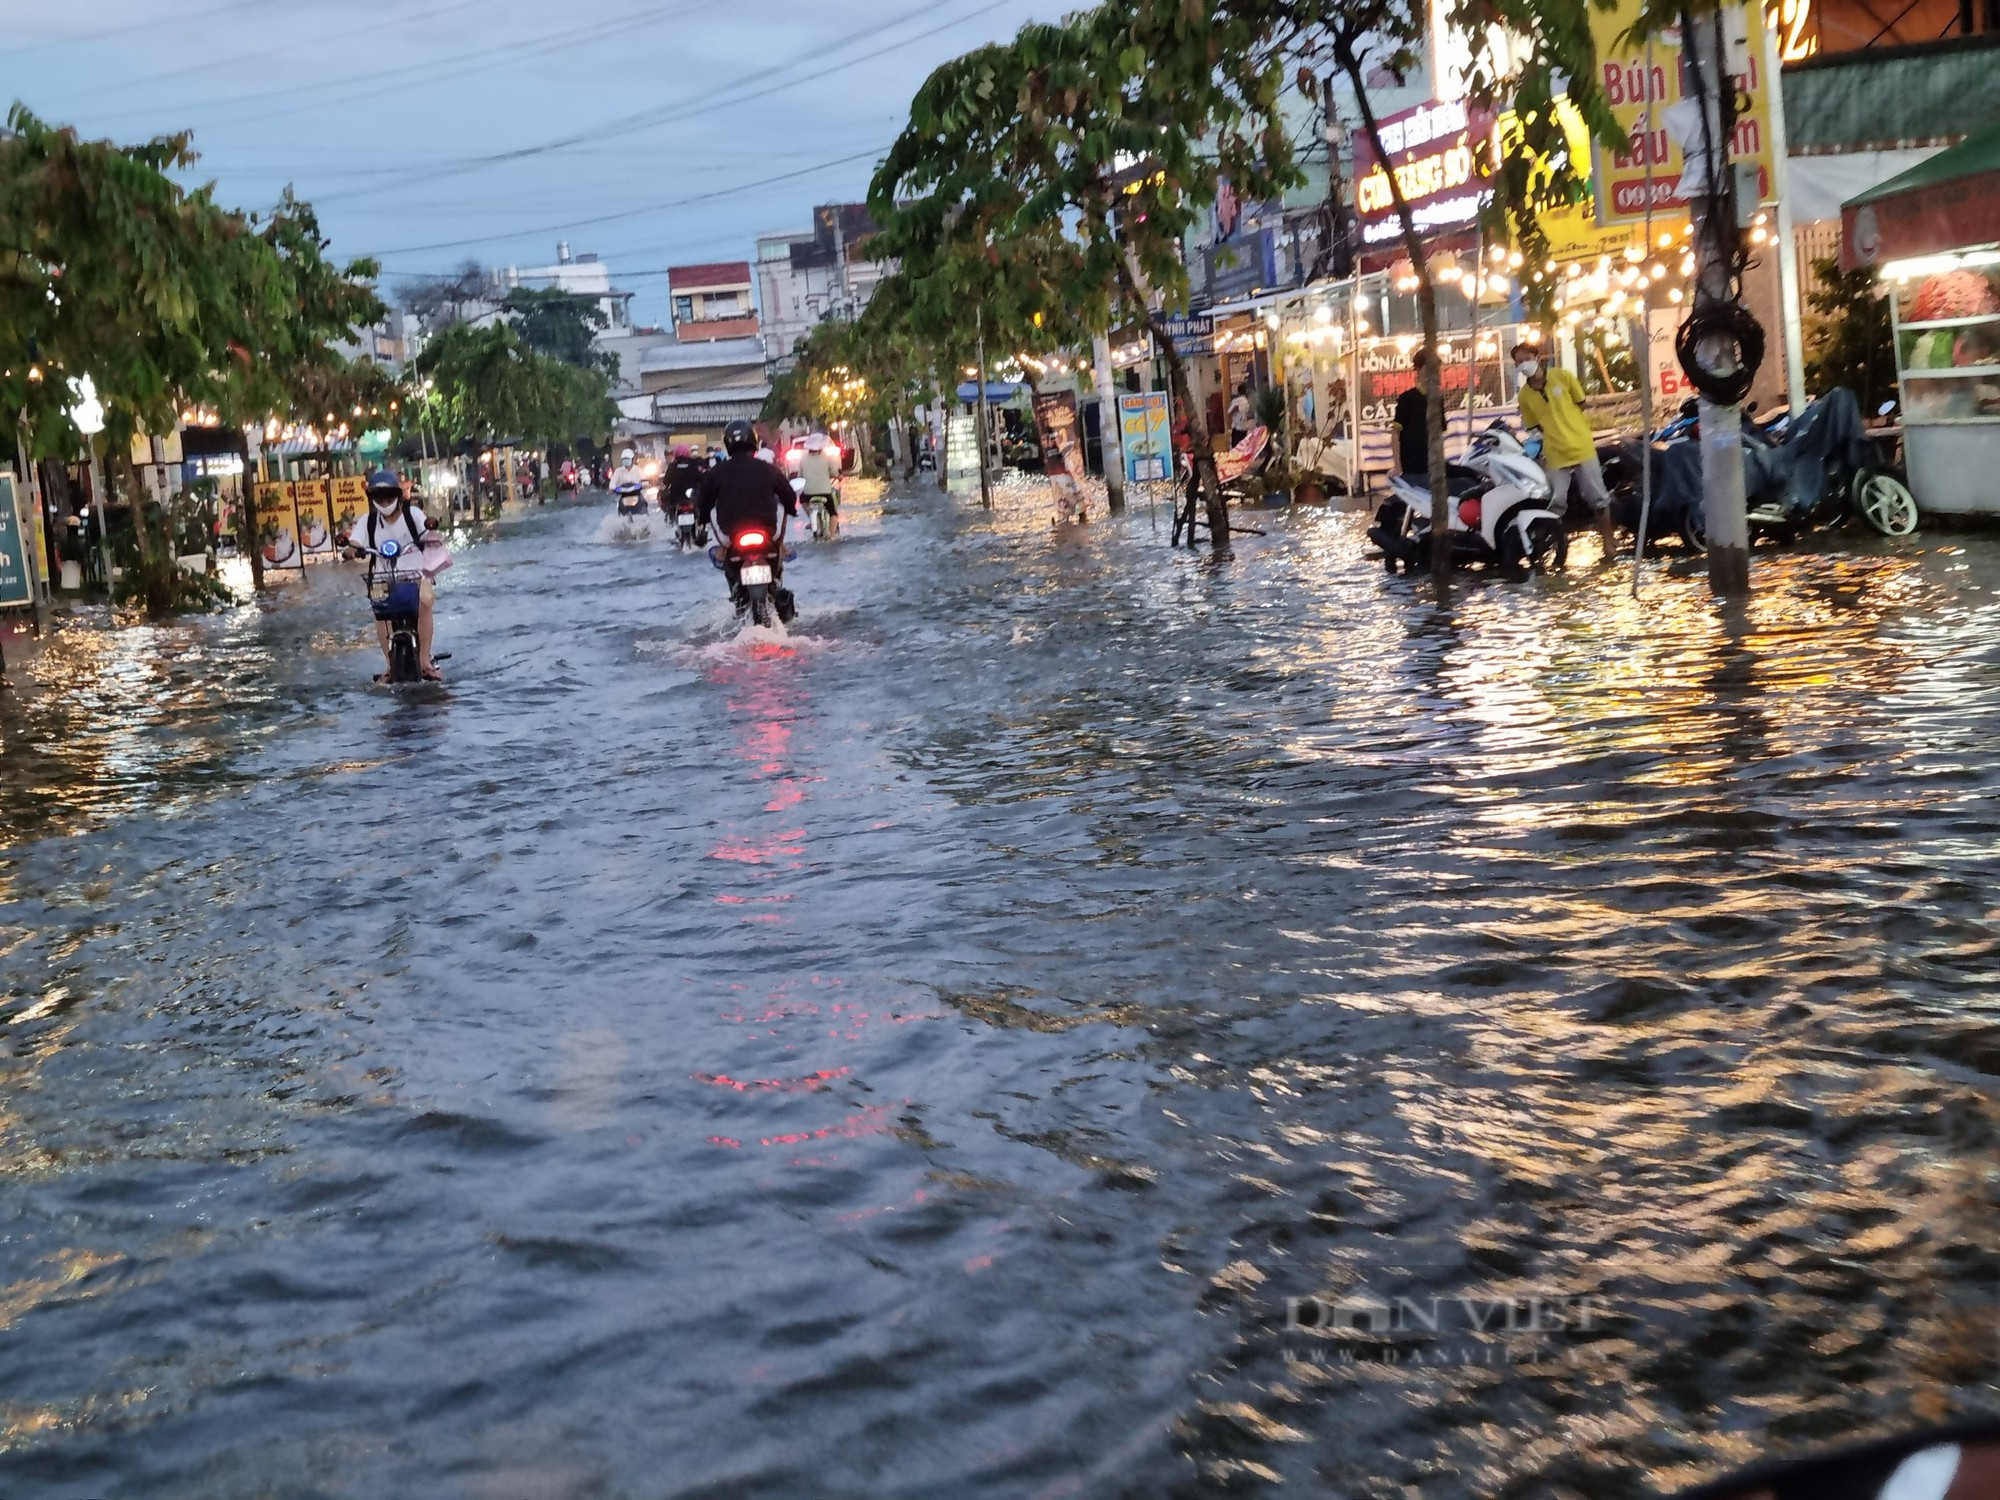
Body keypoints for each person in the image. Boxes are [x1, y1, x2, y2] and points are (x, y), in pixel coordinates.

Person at [1512, 342, 1615, 554]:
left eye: (1525, 359)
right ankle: (1557, 546)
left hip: (1581, 446)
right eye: (1518, 363)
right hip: (1555, 452)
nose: (1523, 365)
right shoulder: (1524, 396)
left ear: (1536, 356)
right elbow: (1534, 426)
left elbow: (1581, 403)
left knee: (1598, 499)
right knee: (1556, 502)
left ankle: (1609, 545)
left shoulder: (1563, 376)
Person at [346, 469, 443, 682]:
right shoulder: (368, 521)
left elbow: (430, 533)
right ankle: (390, 665)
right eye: (379, 497)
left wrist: (432, 533)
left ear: (398, 496)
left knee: (425, 602)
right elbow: (355, 541)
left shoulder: (413, 515)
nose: (384, 500)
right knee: (379, 611)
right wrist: (352, 549)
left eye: (388, 495)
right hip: (383, 579)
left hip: (417, 575)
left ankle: (425, 660)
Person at [697, 419, 798, 595]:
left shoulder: (716, 473)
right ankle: (781, 551)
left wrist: (703, 520)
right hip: (768, 533)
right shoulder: (768, 469)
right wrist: (793, 510)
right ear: (754, 441)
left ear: (727, 444)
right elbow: (788, 495)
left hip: (731, 535)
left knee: (712, 511)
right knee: (782, 506)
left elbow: (704, 502)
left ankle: (725, 559)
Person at [1394, 350, 1432, 483]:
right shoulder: (1407, 399)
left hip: (1433, 464)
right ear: (1419, 370)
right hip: (1412, 465)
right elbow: (1395, 433)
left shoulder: (1437, 399)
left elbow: (1440, 435)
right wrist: (1397, 465)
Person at [796, 433, 841, 532]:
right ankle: (832, 536)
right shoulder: (827, 458)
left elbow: (800, 476)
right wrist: (838, 476)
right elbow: (834, 472)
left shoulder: (803, 460)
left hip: (808, 493)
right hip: (824, 492)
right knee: (833, 513)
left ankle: (811, 518)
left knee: (802, 500)